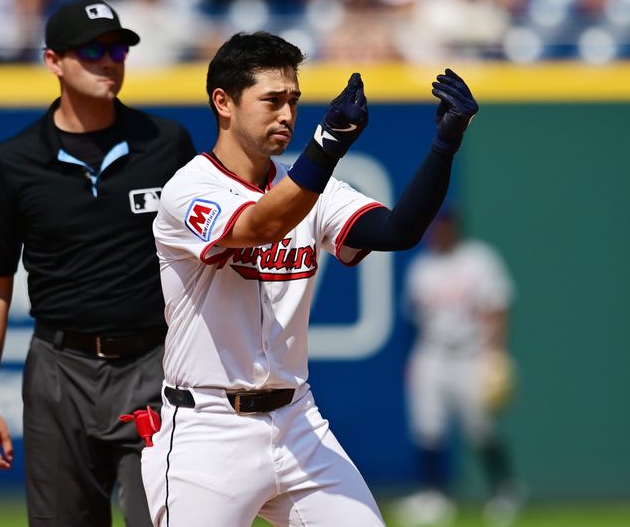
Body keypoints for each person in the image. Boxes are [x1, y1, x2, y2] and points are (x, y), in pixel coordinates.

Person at [141, 31, 479, 527]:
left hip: (297, 421)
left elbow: (397, 230)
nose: (286, 114)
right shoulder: (190, 188)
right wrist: (326, 147)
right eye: (272, 100)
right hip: (208, 428)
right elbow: (259, 225)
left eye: (294, 101)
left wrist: (444, 146)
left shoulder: (307, 187)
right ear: (224, 103)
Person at [0, 0, 195, 526]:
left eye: (117, 48)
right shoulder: (13, 161)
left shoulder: (166, 143)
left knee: (167, 520)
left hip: (154, 367)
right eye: (92, 50)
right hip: (59, 371)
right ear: (54, 61)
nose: (109, 60)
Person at [395, 209, 521, 527]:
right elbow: (413, 320)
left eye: (445, 228)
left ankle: (505, 491)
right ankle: (433, 497)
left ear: (455, 229)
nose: (439, 234)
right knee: (427, 426)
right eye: (435, 228)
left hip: (472, 354)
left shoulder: (479, 260)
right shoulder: (422, 268)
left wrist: (495, 354)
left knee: (481, 428)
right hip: (432, 353)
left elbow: (497, 308)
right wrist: (411, 361)